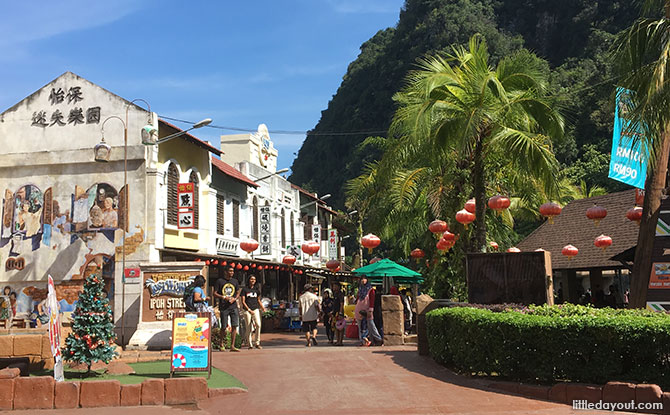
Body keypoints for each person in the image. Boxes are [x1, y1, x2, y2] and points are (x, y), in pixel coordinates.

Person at [214, 266, 241, 352]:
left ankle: (232, 346)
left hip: (233, 306)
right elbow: (214, 293)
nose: (231, 272)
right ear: (225, 272)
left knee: (234, 325)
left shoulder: (235, 281)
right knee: (224, 326)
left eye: (232, 271)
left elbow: (237, 292)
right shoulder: (220, 281)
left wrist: (235, 298)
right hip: (224, 307)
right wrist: (222, 297)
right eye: (230, 271)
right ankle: (221, 344)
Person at [354, 277, 382, 346]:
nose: (363, 280)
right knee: (360, 326)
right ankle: (362, 341)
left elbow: (372, 300)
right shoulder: (360, 289)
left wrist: (371, 310)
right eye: (361, 279)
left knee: (371, 325)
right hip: (359, 309)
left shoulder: (370, 290)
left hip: (367, 310)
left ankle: (379, 339)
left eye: (364, 279)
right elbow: (357, 299)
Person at [241, 275, 265, 349]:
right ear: (249, 280)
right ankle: (250, 344)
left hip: (255, 309)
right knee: (248, 327)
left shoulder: (256, 290)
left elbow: (258, 300)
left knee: (258, 324)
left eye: (254, 279)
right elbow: (243, 301)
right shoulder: (244, 289)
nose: (253, 281)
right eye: (251, 279)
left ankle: (257, 342)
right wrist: (248, 309)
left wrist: (262, 307)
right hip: (247, 310)